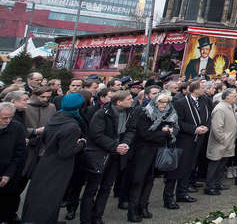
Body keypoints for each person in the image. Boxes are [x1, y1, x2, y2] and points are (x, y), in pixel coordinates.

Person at [21, 93, 88, 224]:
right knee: (52, 196)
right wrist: (81, 143)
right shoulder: (72, 126)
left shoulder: (55, 117)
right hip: (60, 166)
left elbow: (45, 138)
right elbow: (66, 152)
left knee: (40, 194)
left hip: (46, 160)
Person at [81, 89, 134, 224]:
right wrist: (114, 146)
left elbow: (130, 130)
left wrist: (125, 144)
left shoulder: (129, 112)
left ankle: (97, 216)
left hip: (116, 155)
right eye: (129, 99)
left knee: (106, 188)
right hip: (100, 155)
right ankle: (86, 219)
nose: (132, 100)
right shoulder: (102, 114)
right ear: (119, 102)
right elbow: (96, 134)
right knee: (92, 189)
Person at [129, 92, 177, 220]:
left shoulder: (167, 115)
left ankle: (143, 206)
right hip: (142, 151)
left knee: (150, 180)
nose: (164, 105)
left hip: (157, 150)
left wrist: (166, 133)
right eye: (161, 103)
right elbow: (146, 134)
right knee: (138, 180)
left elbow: (171, 129)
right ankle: (132, 210)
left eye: (166, 103)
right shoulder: (145, 113)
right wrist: (164, 134)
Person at [165, 80, 210, 206]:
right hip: (184, 140)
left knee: (189, 167)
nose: (204, 89)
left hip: (198, 139)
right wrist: (194, 129)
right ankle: (168, 196)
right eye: (202, 87)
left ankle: (182, 192)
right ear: (194, 89)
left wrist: (206, 126)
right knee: (176, 169)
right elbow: (178, 121)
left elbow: (208, 116)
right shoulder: (181, 103)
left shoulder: (204, 101)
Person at [205, 88, 237, 195]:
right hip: (220, 143)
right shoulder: (220, 108)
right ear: (227, 97)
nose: (236, 97)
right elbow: (217, 128)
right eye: (234, 95)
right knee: (214, 165)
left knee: (221, 165)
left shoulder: (229, 106)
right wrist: (223, 140)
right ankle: (210, 186)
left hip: (227, 143)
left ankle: (217, 183)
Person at [0, 102, 27, 224]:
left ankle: (8, 217)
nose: (8, 121)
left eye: (11, 117)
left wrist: (8, 174)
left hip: (10, 171)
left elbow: (20, 153)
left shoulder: (17, 128)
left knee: (9, 199)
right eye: (4, 118)